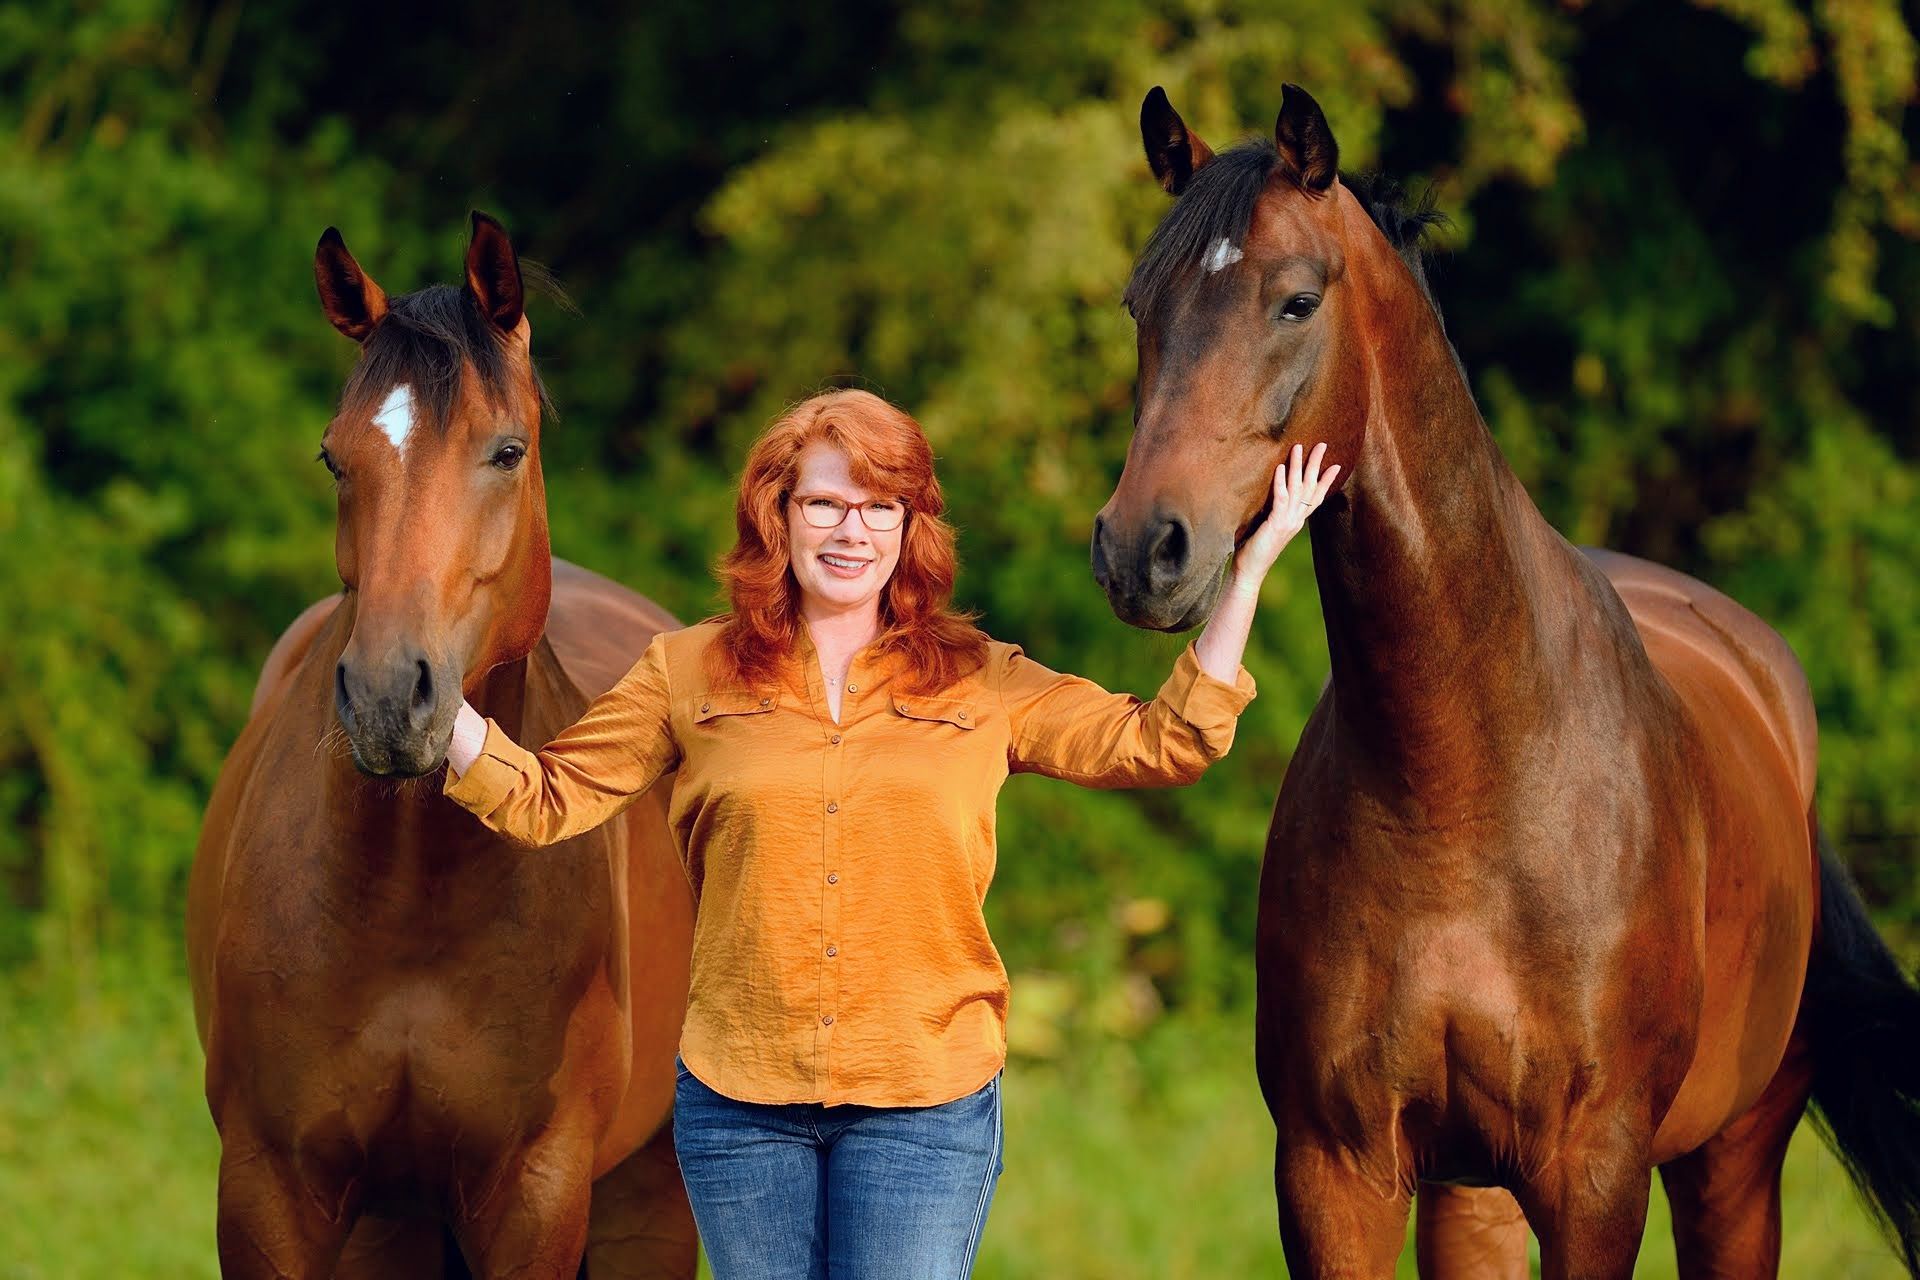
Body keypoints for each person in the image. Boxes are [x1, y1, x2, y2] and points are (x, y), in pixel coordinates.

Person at [441, 388, 1337, 1279]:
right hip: (741, 1107)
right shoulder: (685, 673)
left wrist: (1251, 568)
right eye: (825, 503)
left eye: (880, 508)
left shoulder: (983, 683)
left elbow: (1165, 739)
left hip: (924, 1106)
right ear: (777, 516)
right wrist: (434, 699)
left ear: (911, 528)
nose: (851, 532)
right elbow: (545, 797)